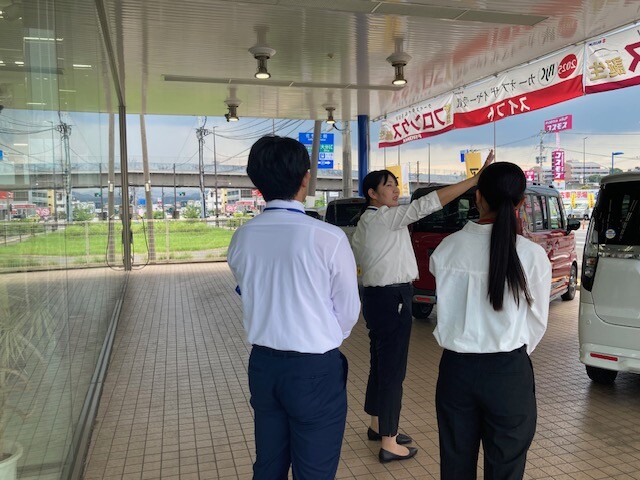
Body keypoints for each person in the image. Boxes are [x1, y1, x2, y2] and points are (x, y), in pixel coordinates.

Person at [227, 135, 361, 480]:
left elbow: (250, 292)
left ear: (257, 181)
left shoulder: (242, 237)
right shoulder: (329, 237)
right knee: (314, 470)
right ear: (306, 178)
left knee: (268, 465)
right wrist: (322, 333)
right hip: (314, 368)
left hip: (264, 365)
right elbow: (348, 309)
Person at [350, 149, 494, 464]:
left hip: (375, 298)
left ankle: (378, 425)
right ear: (372, 193)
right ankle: (389, 441)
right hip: (393, 299)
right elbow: (428, 203)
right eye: (388, 186)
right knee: (393, 370)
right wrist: (473, 181)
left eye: (395, 184)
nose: (395, 190)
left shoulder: (367, 221)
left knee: (380, 363)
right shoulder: (385, 218)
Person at [429, 162, 551, 479]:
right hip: (508, 372)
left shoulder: (447, 248)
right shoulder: (532, 255)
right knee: (506, 468)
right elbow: (537, 322)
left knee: (455, 465)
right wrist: (510, 352)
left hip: (457, 372)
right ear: (521, 202)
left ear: (478, 197)